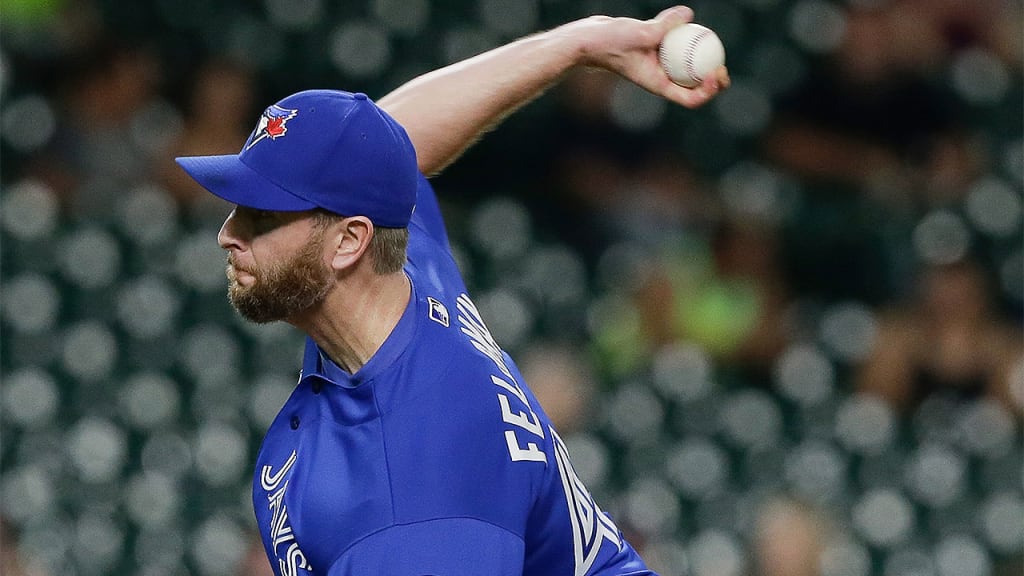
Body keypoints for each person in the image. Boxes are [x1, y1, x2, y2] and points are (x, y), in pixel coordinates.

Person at [175, 6, 729, 575]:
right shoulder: (407, 278)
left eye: (263, 217)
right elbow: (386, 146)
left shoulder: (415, 502)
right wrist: (576, 46)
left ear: (348, 242)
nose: (228, 235)